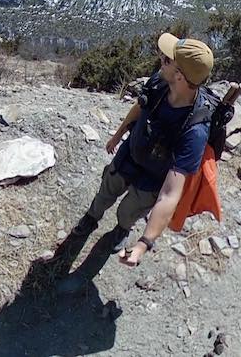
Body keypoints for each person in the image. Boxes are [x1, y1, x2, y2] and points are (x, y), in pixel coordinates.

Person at [71, 32, 232, 267]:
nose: (161, 60)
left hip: (154, 179)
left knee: (128, 212)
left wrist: (144, 242)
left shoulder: (195, 132)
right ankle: (91, 218)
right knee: (107, 188)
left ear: (179, 75)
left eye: (167, 60)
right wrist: (118, 135)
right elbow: (141, 107)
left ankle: (121, 230)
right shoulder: (159, 82)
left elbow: (170, 194)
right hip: (131, 153)